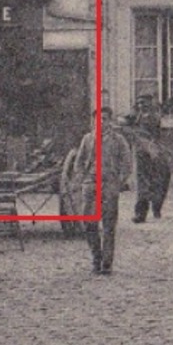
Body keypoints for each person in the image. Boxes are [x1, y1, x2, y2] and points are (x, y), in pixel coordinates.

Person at [74, 107, 136, 275]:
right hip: (91, 184)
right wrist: (83, 180)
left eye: (104, 119)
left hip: (109, 185)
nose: (101, 122)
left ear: (110, 121)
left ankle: (106, 263)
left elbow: (127, 164)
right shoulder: (87, 139)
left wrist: (119, 182)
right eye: (98, 119)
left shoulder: (118, 140)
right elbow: (79, 162)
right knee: (89, 222)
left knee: (108, 225)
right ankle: (96, 257)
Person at [129, 101, 173, 223]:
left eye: (148, 110)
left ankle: (156, 206)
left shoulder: (156, 122)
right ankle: (141, 213)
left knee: (160, 181)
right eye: (143, 110)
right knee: (142, 185)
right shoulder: (135, 122)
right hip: (142, 155)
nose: (146, 114)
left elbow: (163, 138)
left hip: (157, 154)